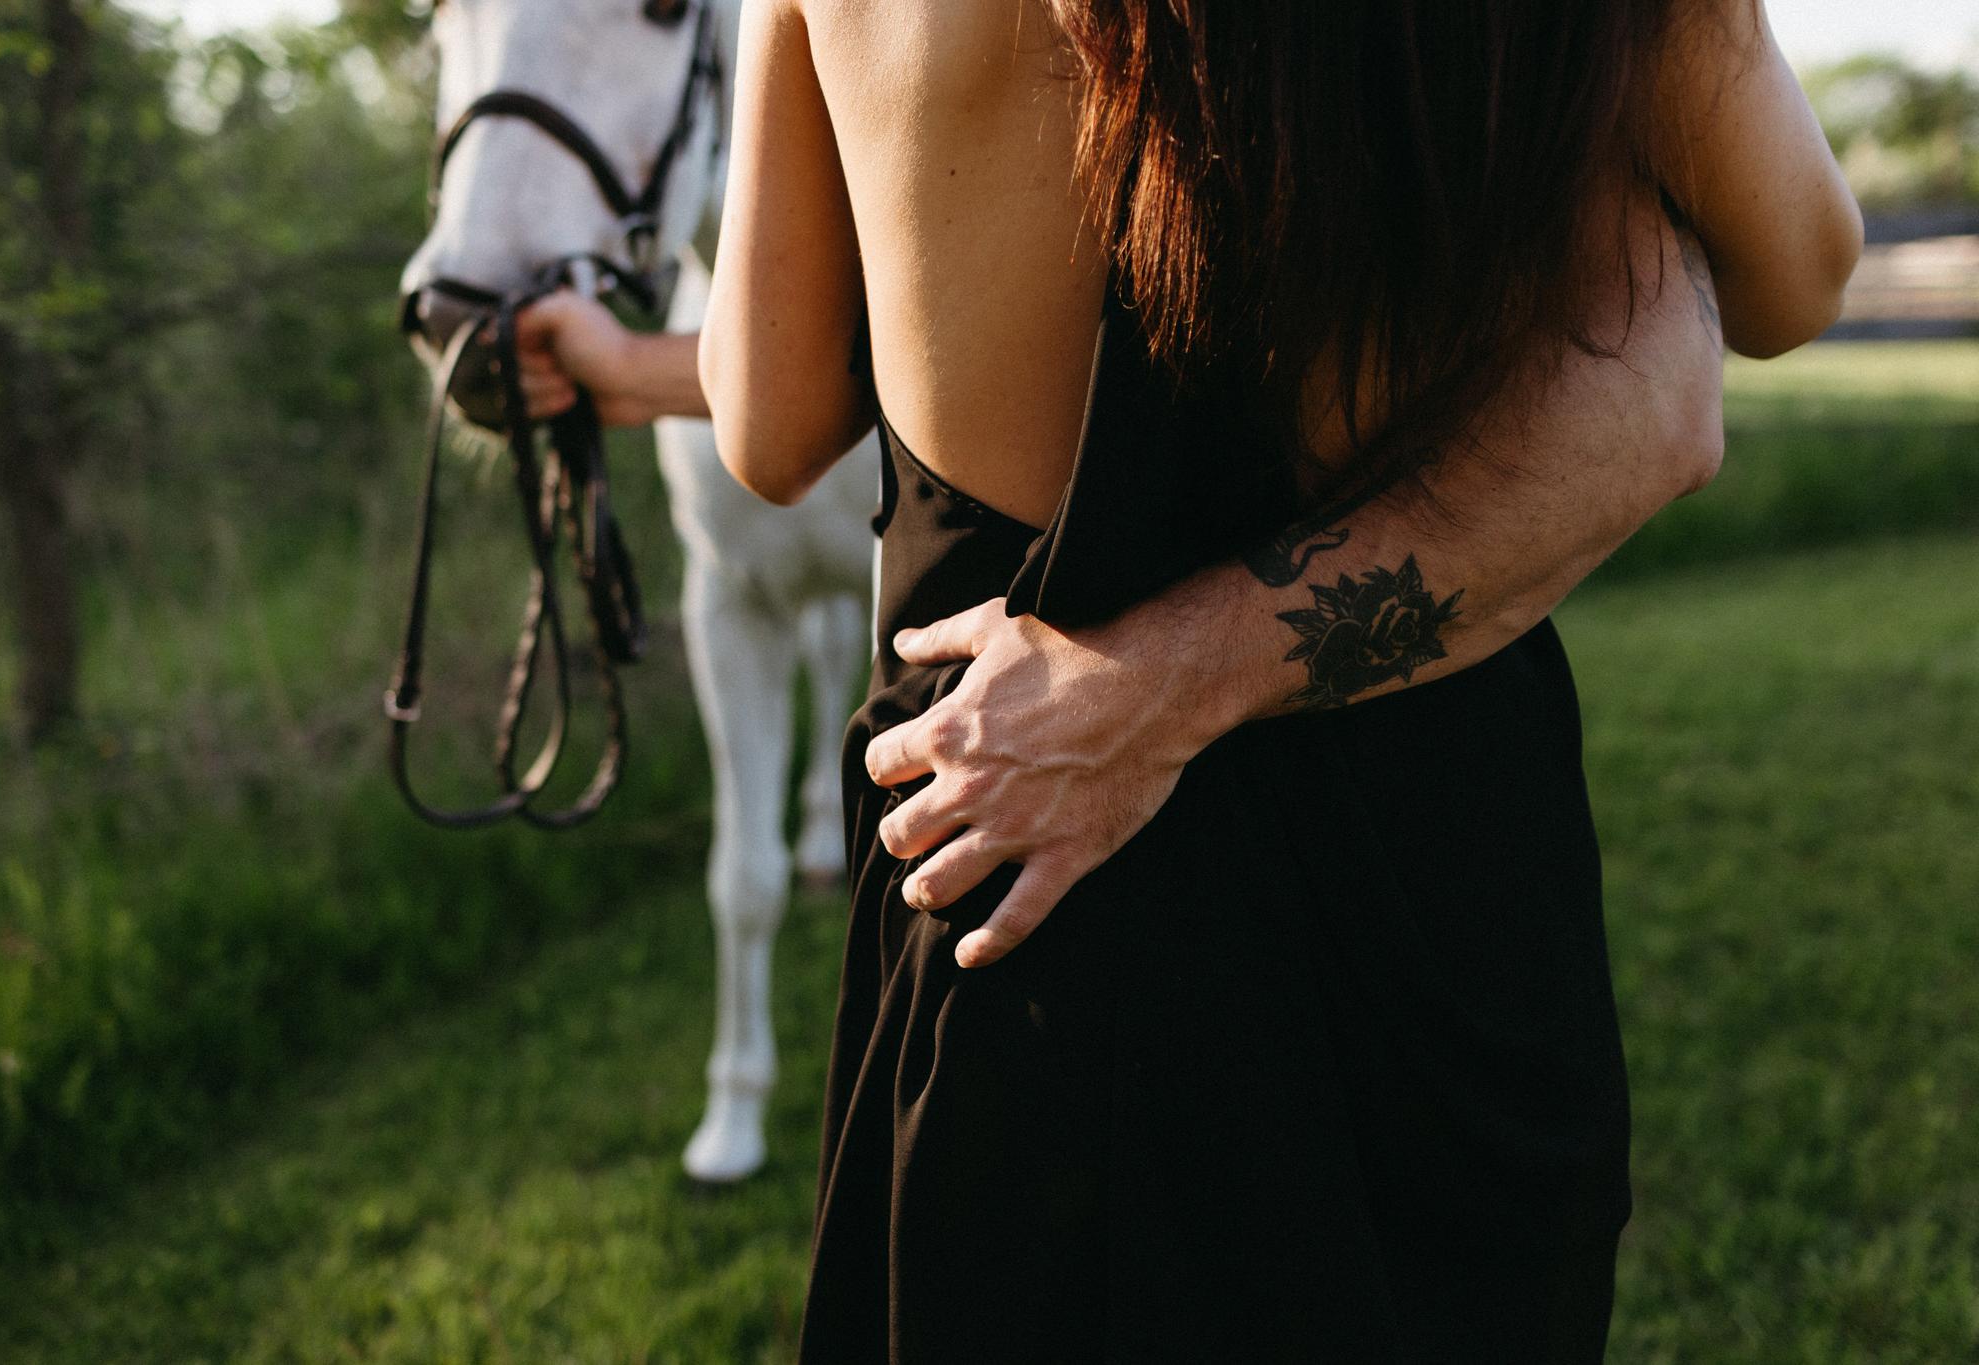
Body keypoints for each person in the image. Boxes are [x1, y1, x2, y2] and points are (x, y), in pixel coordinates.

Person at [519, 0, 1859, 1357]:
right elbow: (1797, 271)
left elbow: (777, 419)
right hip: (1415, 860)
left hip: (1003, 853)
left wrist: (628, 357)